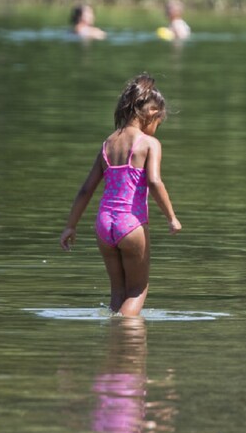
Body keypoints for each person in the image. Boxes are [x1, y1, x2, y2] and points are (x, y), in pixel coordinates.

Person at [60, 75, 181, 316]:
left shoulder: (108, 143)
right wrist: (171, 217)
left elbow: (86, 189)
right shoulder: (149, 143)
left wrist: (70, 226)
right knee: (137, 290)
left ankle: (113, 346)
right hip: (131, 224)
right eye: (159, 121)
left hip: (104, 224)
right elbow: (155, 182)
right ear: (151, 112)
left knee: (117, 293)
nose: (157, 127)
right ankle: (127, 342)